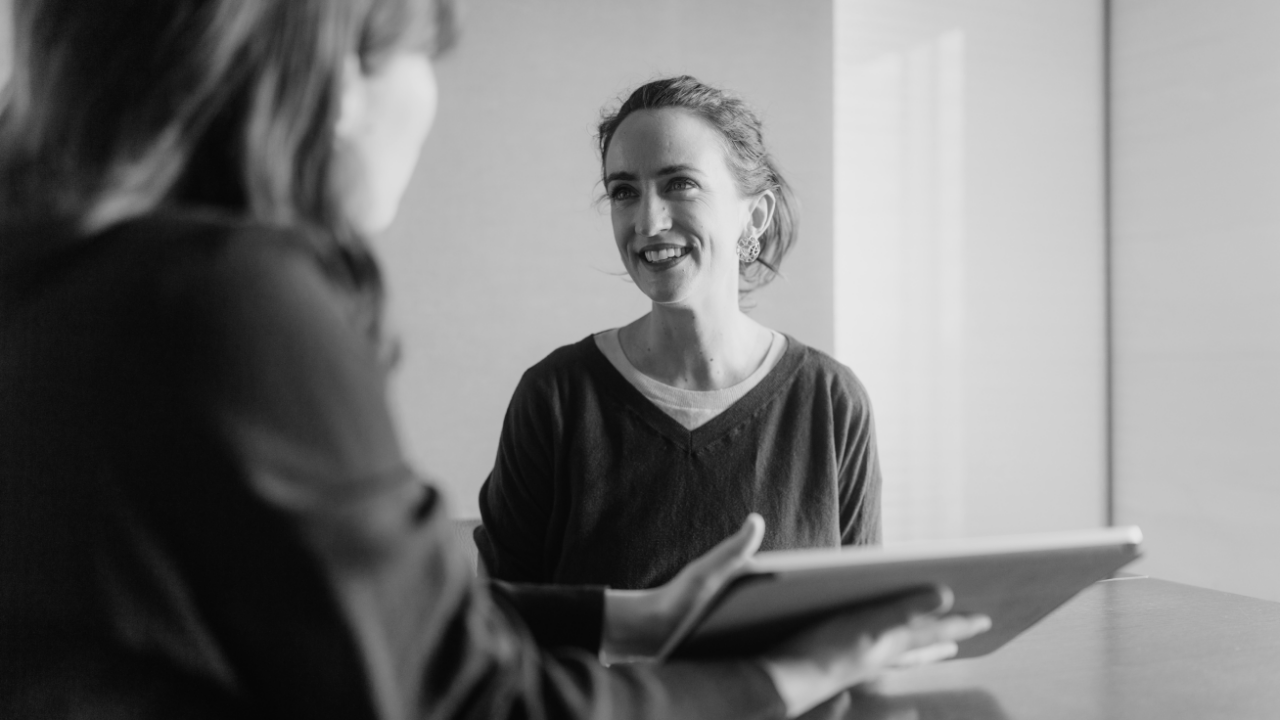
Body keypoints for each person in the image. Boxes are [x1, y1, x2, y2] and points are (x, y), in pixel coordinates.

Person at [0, 2, 988, 719]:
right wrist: (789, 677)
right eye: (424, 51)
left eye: (677, 185)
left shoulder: (69, 280)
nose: (646, 220)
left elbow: (378, 628)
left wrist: (624, 620)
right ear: (340, 76)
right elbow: (460, 691)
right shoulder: (228, 299)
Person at [477, 76, 882, 591]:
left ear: (754, 215)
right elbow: (498, 629)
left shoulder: (830, 401)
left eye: (679, 184)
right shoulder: (554, 397)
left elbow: (859, 624)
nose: (647, 221)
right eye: (624, 191)